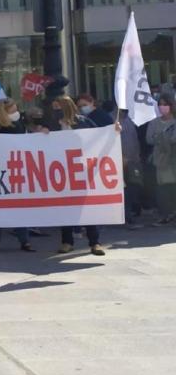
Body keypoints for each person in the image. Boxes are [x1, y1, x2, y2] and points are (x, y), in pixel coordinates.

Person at [51, 95, 106, 255]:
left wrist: (114, 130)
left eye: (58, 108)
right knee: (65, 208)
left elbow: (99, 135)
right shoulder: (53, 125)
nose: (55, 111)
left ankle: (95, 242)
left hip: (82, 170)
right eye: (54, 108)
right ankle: (67, 241)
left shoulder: (82, 122)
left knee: (87, 207)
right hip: (61, 171)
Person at [0, 99, 34, 253]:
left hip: (15, 170)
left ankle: (24, 240)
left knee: (18, 208)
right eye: (13, 109)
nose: (16, 112)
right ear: (4, 112)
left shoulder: (18, 125)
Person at [146, 95, 176, 225]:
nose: (163, 107)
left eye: (165, 104)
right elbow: (149, 139)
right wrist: (161, 138)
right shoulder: (154, 122)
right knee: (163, 188)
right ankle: (166, 214)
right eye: (160, 104)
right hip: (161, 160)